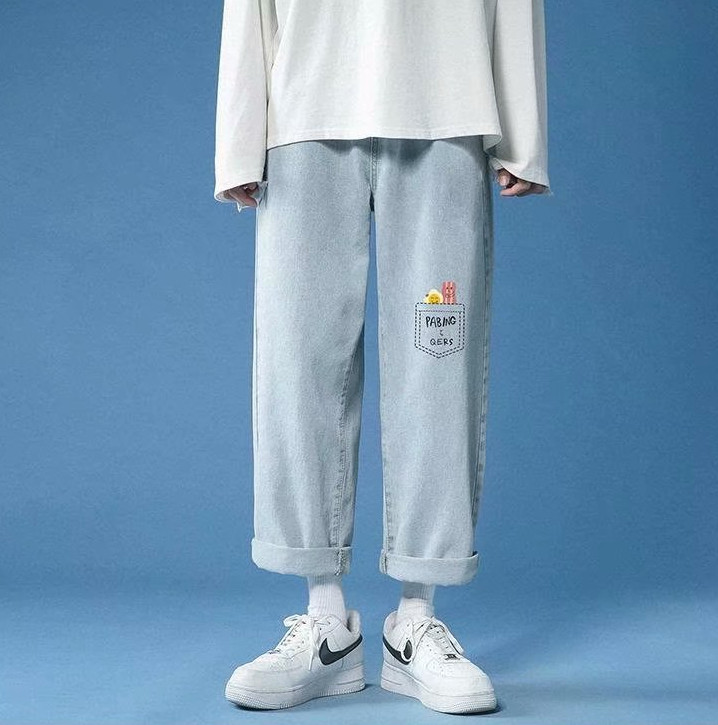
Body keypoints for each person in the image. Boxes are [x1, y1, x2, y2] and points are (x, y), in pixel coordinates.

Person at [213, 0, 551, 714]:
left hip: (446, 105)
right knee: (298, 369)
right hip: (304, 112)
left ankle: (415, 619)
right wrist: (239, 141)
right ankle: (325, 622)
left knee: (437, 370)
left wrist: (521, 134)